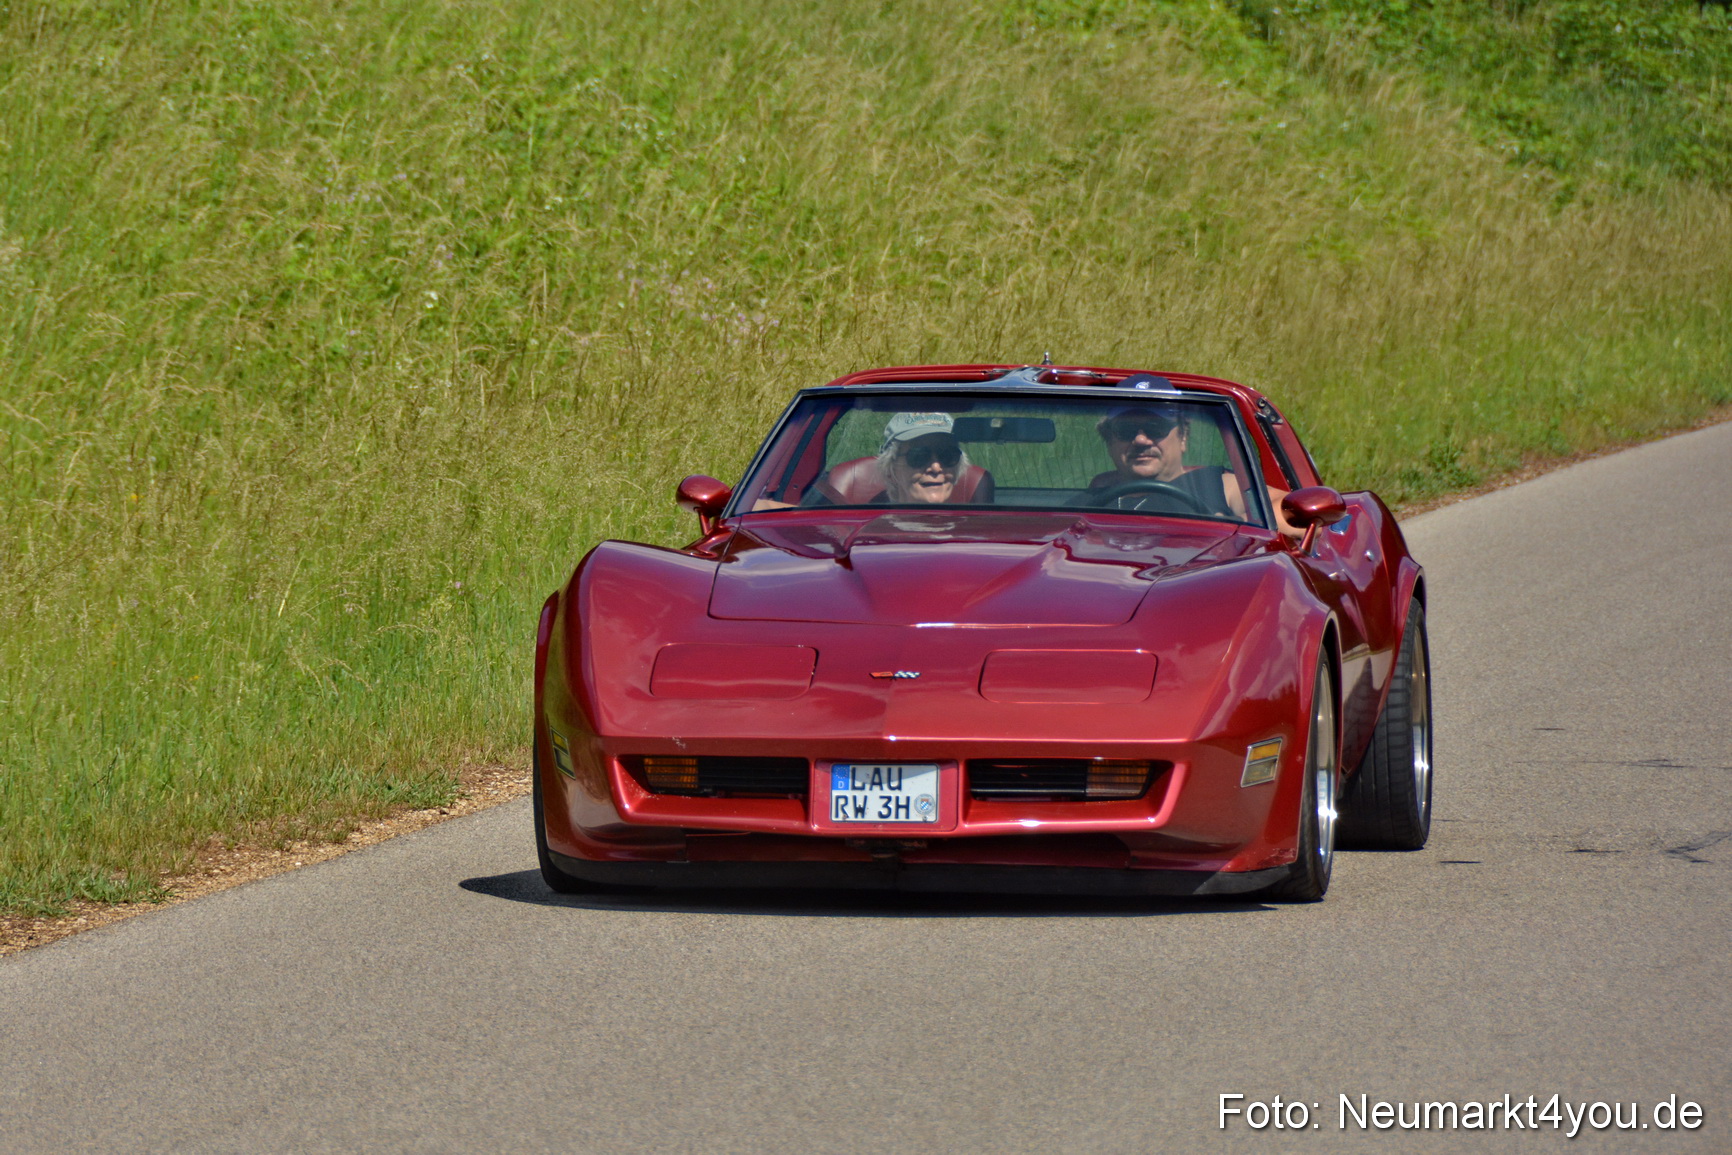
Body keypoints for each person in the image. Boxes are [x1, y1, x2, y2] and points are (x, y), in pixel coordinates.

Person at [1088, 403, 1299, 534]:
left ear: (1183, 437)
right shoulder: (1094, 495)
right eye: (1125, 430)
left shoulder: (1218, 484)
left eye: (1156, 428)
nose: (1141, 440)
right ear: (1109, 441)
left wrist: (1232, 526)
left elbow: (1292, 511)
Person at [874, 412, 967, 504]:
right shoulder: (877, 519)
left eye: (948, 456)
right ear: (890, 471)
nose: (936, 468)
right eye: (919, 456)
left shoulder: (977, 517)